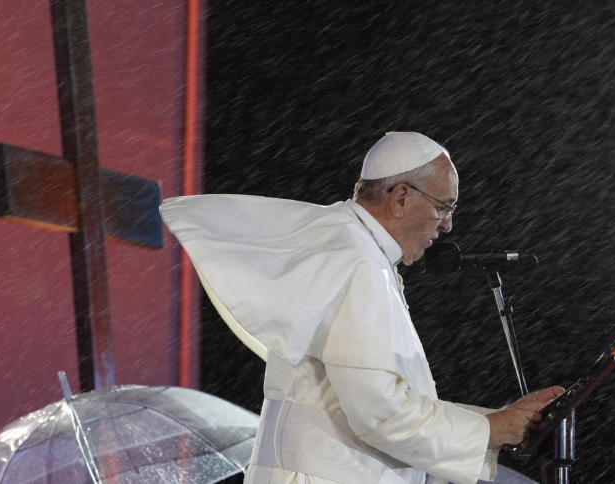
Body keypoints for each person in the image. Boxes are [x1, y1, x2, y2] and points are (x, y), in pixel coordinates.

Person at [160, 132, 562, 484]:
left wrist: (492, 422)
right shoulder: (355, 259)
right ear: (401, 196)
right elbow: (383, 414)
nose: (447, 227)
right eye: (444, 207)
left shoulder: (350, 246)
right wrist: (489, 431)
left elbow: (385, 400)